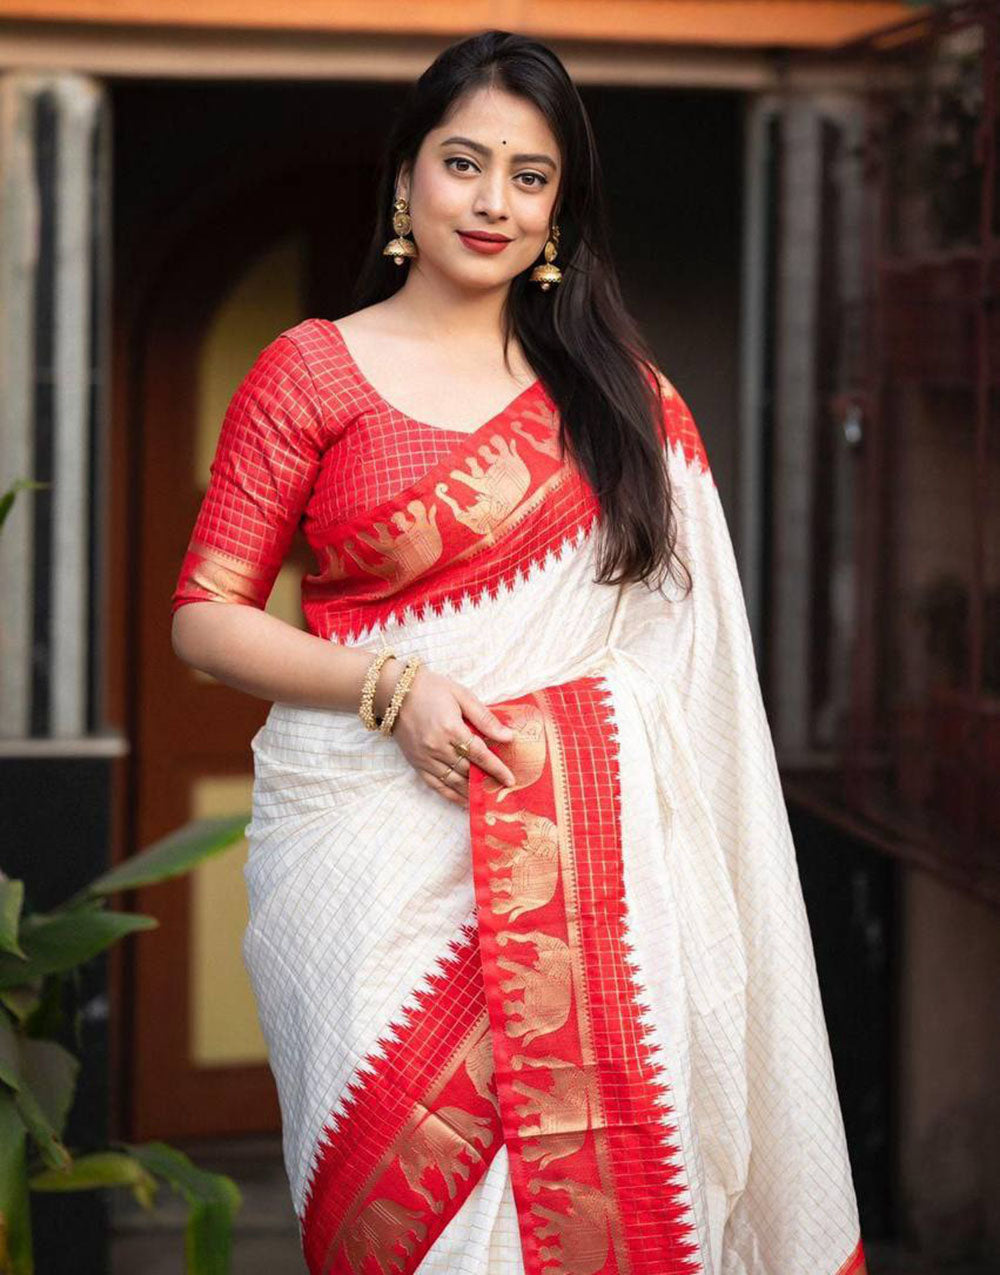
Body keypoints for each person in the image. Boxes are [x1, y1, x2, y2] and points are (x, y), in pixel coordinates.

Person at [170, 29, 866, 1275]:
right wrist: (393, 688)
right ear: (406, 178)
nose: (493, 202)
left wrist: (568, 745)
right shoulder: (308, 372)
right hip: (370, 863)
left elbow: (686, 666)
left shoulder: (622, 401)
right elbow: (205, 616)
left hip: (597, 875)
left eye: (530, 176)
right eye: (464, 163)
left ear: (560, 210)